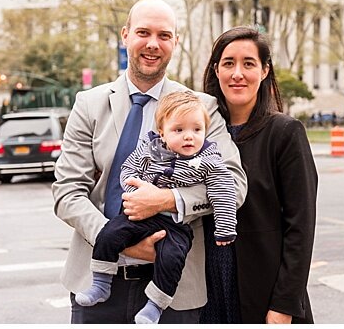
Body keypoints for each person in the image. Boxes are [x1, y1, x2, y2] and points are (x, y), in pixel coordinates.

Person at [53, 0, 247, 324]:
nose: (153, 44)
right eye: (143, 32)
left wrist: (168, 200)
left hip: (176, 286)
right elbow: (67, 192)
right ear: (125, 35)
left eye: (164, 35)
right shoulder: (88, 104)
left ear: (176, 42)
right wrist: (118, 242)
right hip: (98, 281)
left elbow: (234, 185)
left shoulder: (202, 108)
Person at [74, 90, 239, 325]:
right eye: (179, 130)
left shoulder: (208, 160)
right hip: (136, 218)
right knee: (109, 233)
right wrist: (134, 194)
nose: (189, 137)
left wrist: (224, 227)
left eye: (197, 130)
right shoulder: (149, 149)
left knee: (172, 256)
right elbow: (127, 170)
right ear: (162, 132)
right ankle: (100, 283)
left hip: (175, 224)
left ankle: (154, 306)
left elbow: (227, 189)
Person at [200, 26, 318, 325]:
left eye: (248, 63)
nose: (237, 73)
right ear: (216, 70)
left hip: (263, 292)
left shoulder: (285, 133)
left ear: (264, 71)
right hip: (205, 286)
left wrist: (284, 305)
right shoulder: (196, 133)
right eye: (228, 63)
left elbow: (300, 228)